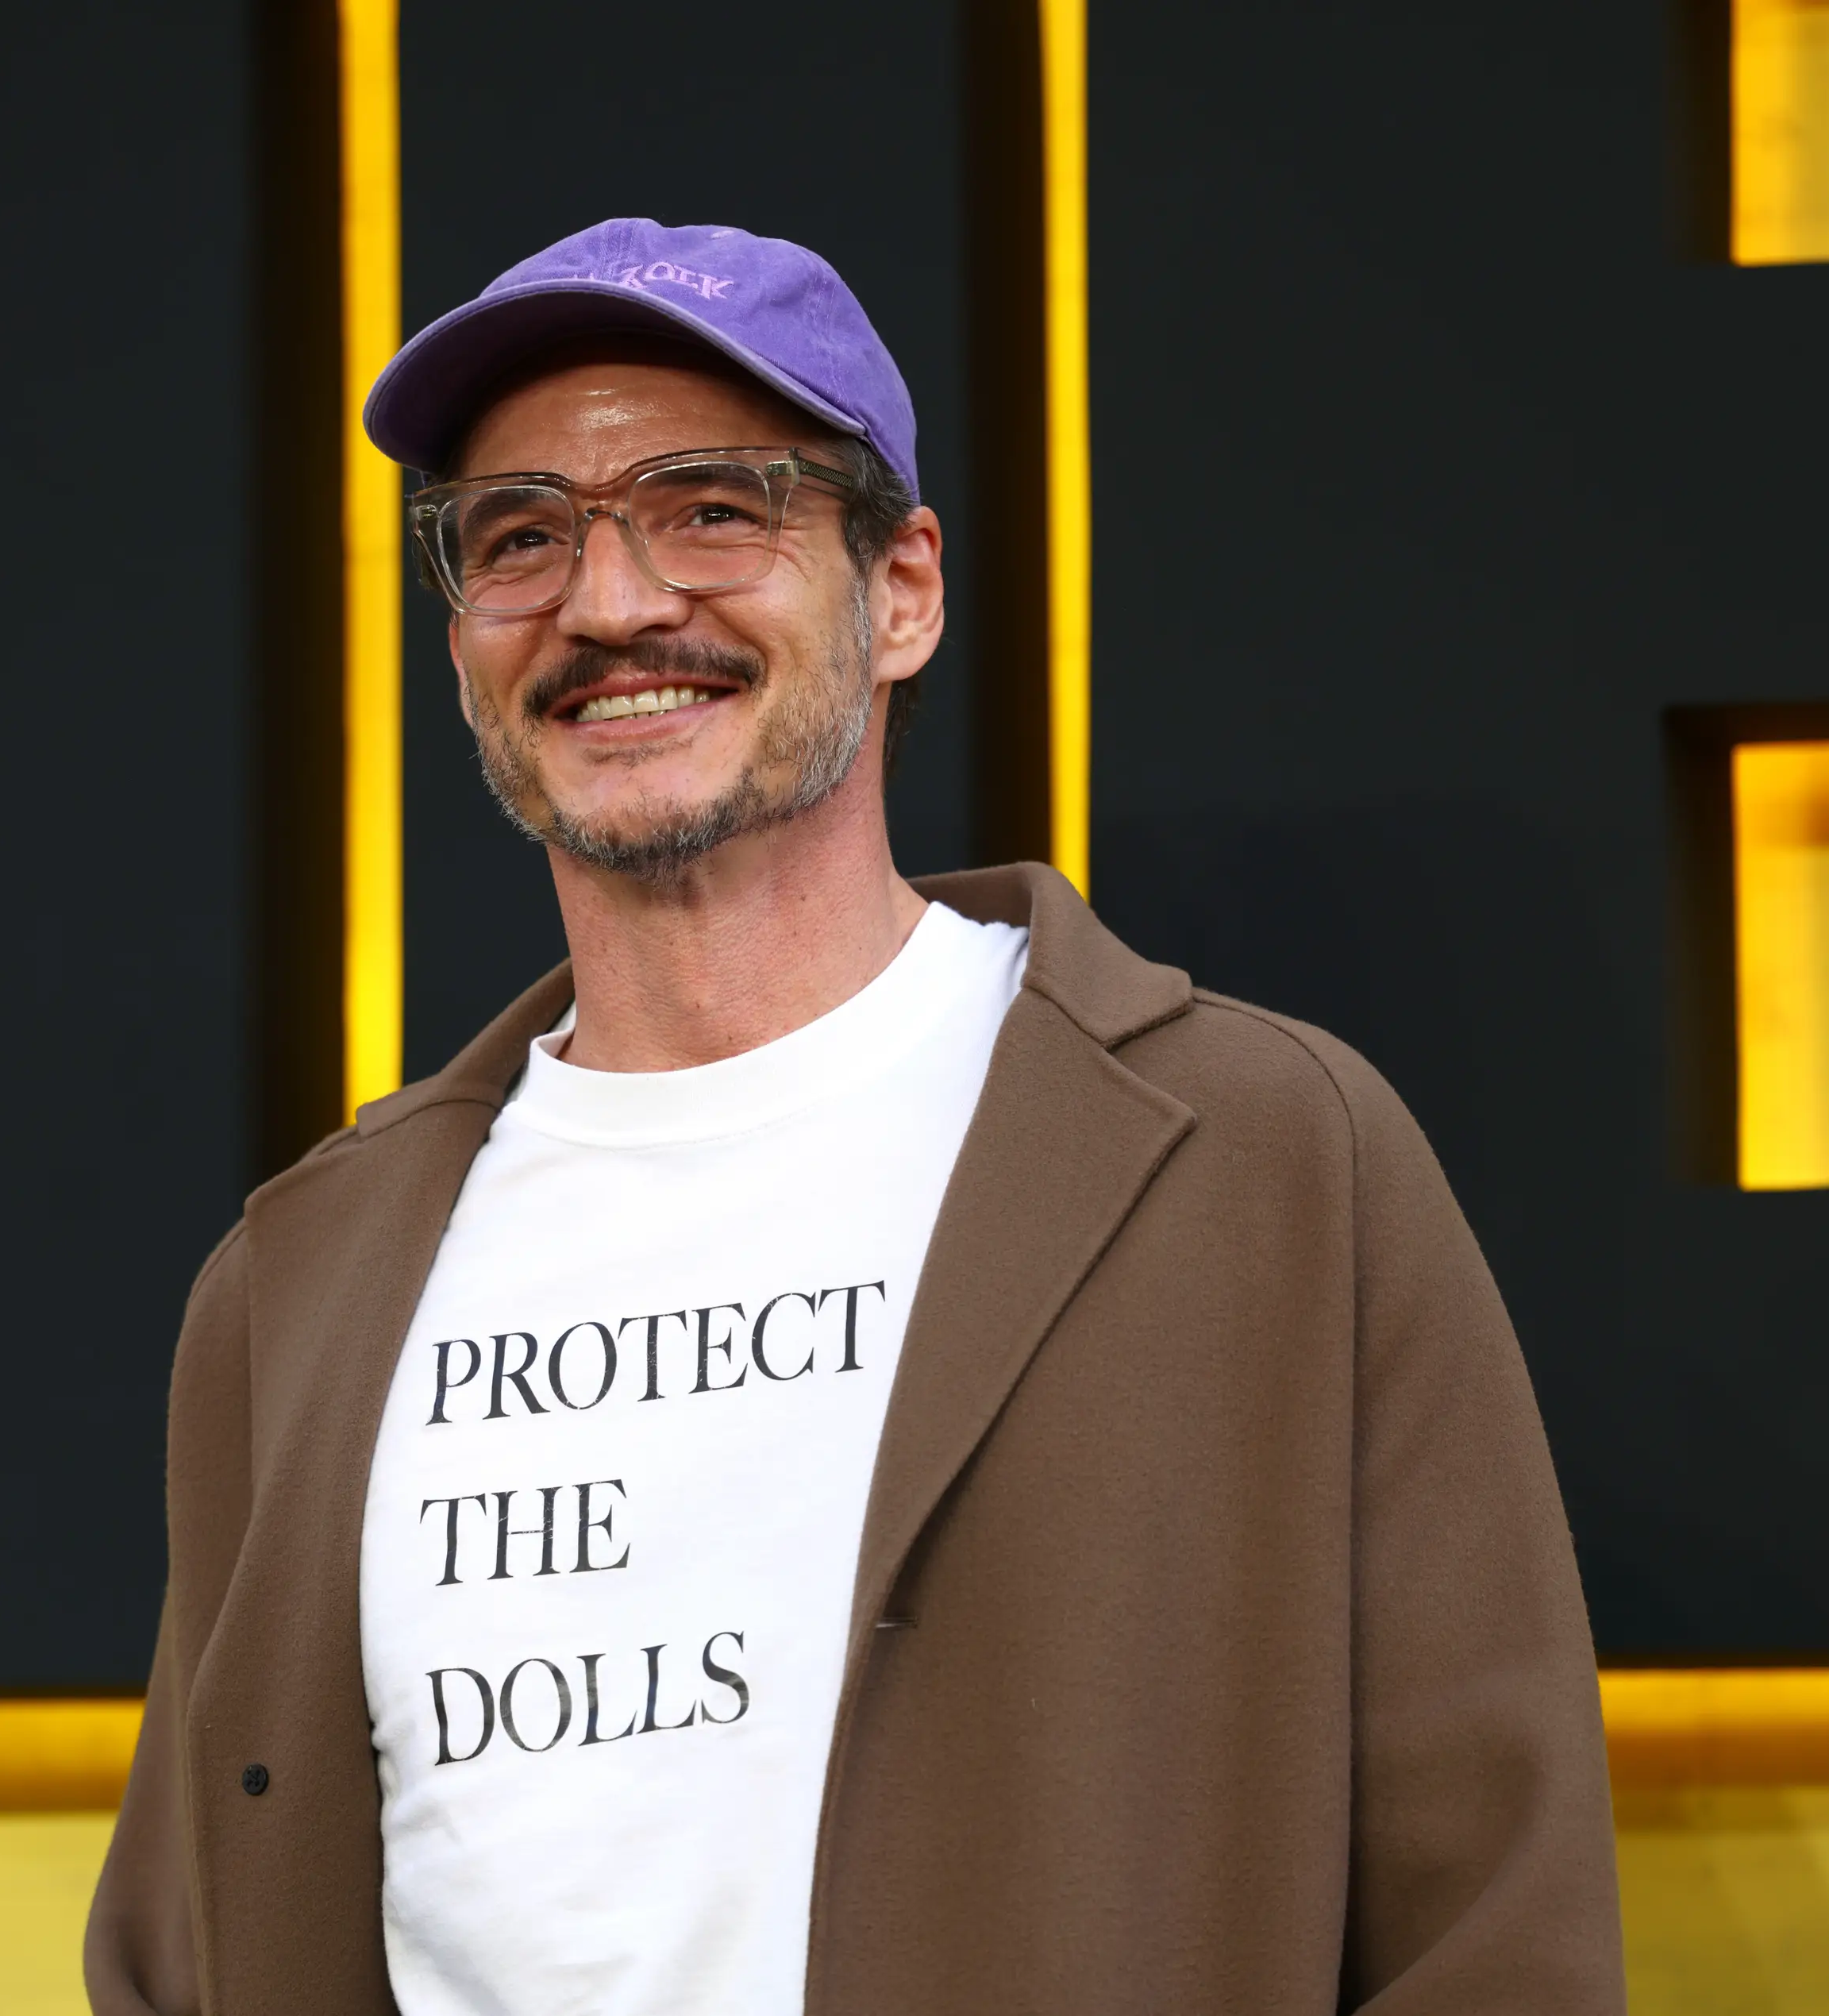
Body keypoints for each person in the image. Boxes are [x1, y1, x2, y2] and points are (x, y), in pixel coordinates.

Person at [85, 218, 1623, 2015]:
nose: (611, 603)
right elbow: (184, 1947)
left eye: (712, 509)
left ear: (903, 590)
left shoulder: (1261, 1157)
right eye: (521, 539)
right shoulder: (297, 1283)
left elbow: (1491, 1925)